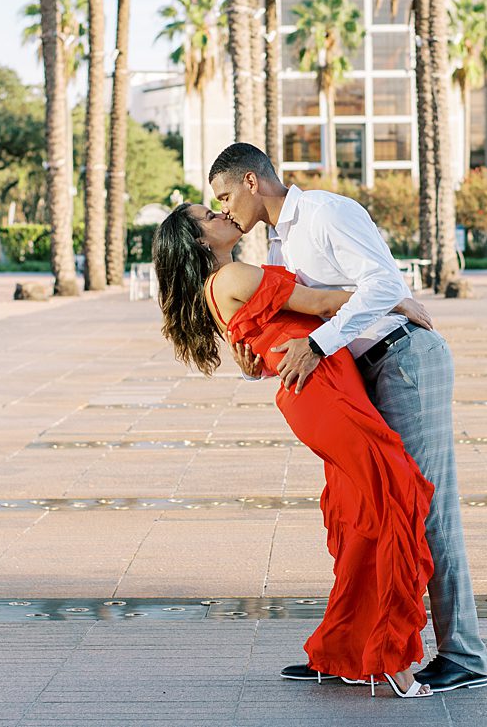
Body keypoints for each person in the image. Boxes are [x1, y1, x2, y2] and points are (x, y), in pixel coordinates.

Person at [208, 143, 487, 693]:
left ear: (250, 180)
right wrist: (253, 363)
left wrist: (319, 341)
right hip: (363, 375)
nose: (222, 211)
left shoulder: (326, 212)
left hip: (406, 359)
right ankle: (349, 649)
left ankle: (463, 655)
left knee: (421, 502)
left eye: (223, 196)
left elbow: (385, 285)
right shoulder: (282, 242)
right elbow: (292, 321)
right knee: (365, 511)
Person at [154, 203, 436, 699]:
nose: (220, 212)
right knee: (393, 494)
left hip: (320, 388)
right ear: (199, 241)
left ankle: (345, 652)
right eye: (207, 215)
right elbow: (319, 302)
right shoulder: (234, 275)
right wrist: (396, 301)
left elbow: (266, 349)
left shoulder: (217, 287)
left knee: (362, 518)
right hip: (324, 390)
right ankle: (393, 657)